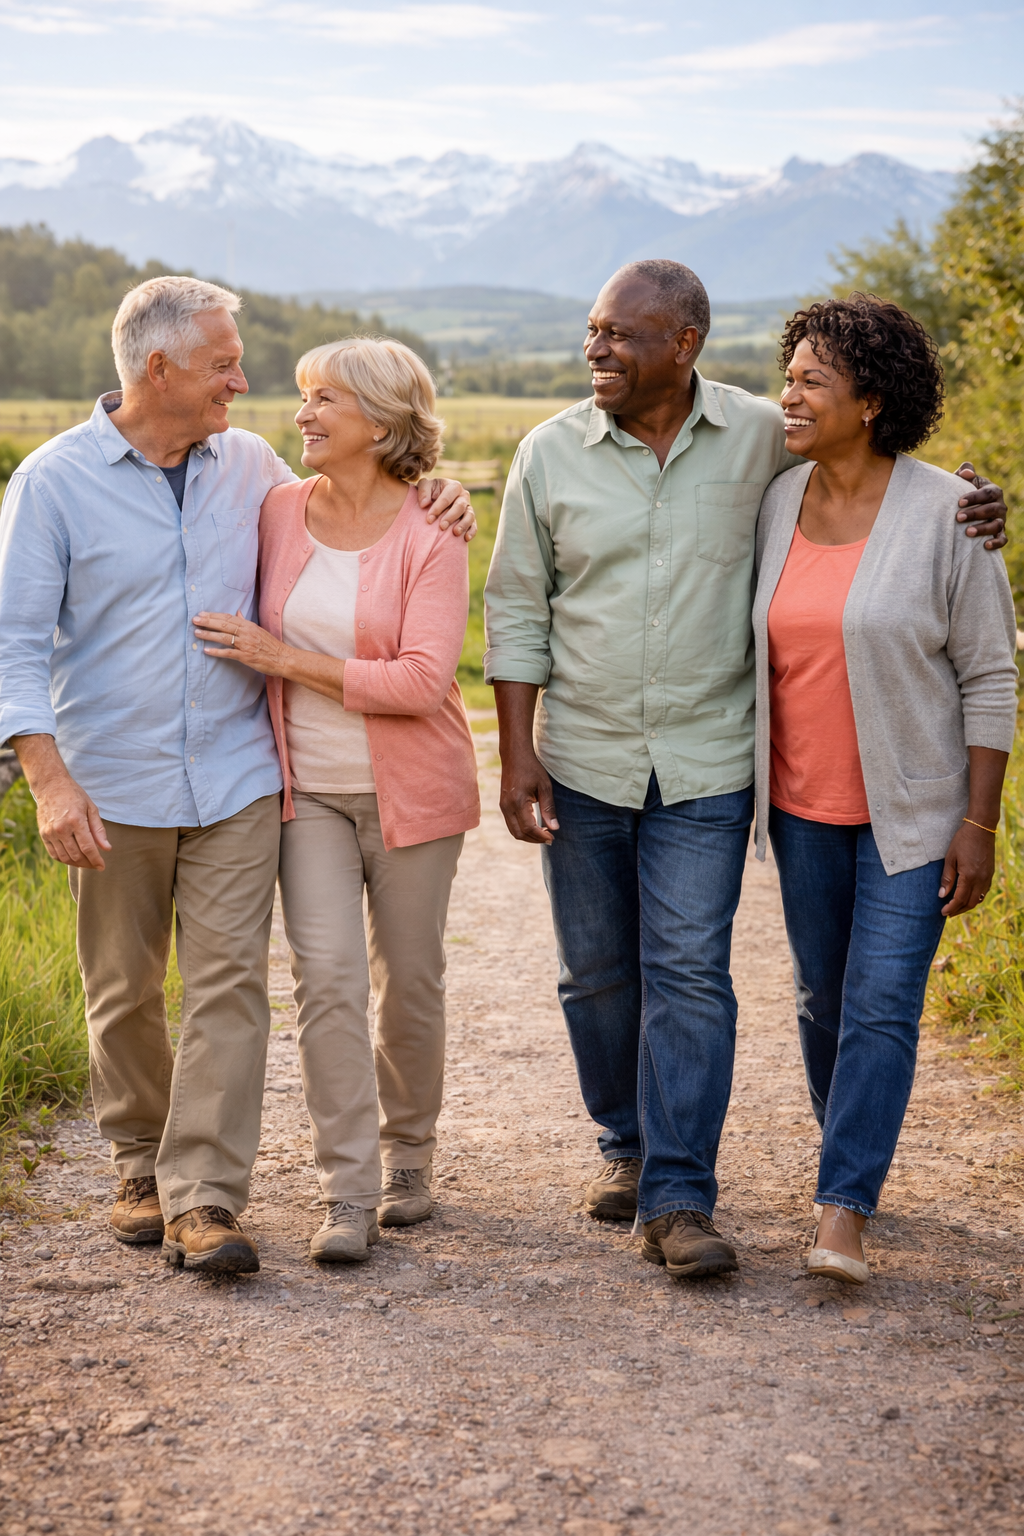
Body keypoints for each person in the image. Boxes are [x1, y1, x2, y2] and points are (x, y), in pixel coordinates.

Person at [483, 258, 1009, 1281]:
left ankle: (691, 1197)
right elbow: (513, 606)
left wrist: (983, 504)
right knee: (600, 977)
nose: (594, 348)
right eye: (590, 329)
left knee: (699, 975)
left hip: (715, 768)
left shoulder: (762, 442)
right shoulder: (554, 455)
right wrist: (516, 750)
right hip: (600, 758)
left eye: (617, 333)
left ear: (682, 344)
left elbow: (890, 472)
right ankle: (626, 1143)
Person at [0, 277, 476, 1276]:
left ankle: (205, 1198)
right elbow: (11, 647)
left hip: (236, 777)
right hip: (111, 778)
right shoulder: (51, 482)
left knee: (230, 988)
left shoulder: (250, 467)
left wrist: (437, 490)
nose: (243, 381)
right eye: (223, 363)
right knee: (124, 986)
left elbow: (360, 506)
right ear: (158, 367)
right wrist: (47, 781)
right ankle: (138, 1159)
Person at [194, 337, 480, 1263]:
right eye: (303, 396)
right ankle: (346, 1191)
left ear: (384, 420)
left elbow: (422, 681)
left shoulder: (431, 530)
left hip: (412, 795)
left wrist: (284, 659)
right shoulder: (277, 508)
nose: (303, 414)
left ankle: (410, 1161)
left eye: (325, 400)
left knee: (410, 985)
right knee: (327, 982)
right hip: (306, 792)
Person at [752, 296, 1017, 1284]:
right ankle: (852, 1151)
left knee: (879, 1009)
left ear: (867, 402)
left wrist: (978, 821)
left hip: (914, 815)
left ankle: (841, 1212)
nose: (789, 396)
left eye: (810, 381)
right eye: (788, 376)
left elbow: (990, 673)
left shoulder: (948, 511)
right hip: (800, 809)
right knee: (823, 1003)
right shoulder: (777, 500)